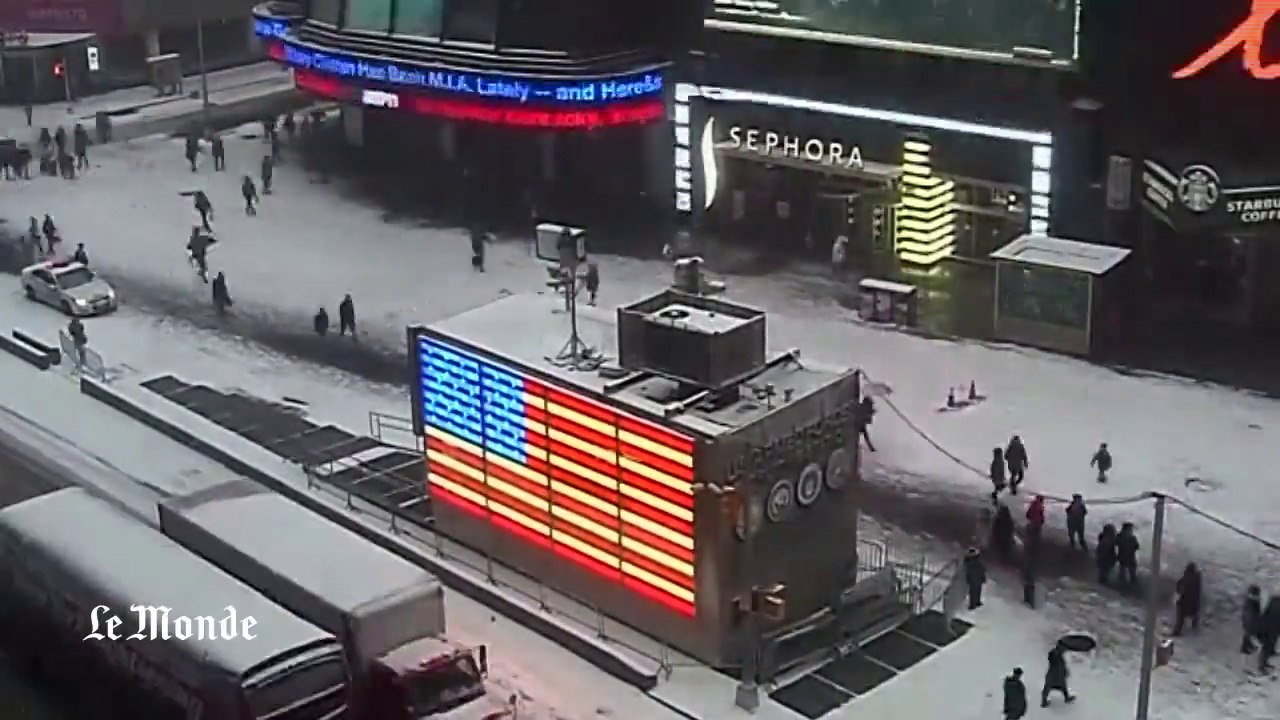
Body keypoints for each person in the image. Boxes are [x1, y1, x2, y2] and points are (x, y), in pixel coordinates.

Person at [1172, 562, 1202, 636]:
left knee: (1180, 616)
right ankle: (1195, 626)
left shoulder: (1185, 578)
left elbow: (1179, 586)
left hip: (1185, 601)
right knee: (1194, 614)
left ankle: (1177, 631)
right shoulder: (1197, 578)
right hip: (1195, 601)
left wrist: (1176, 597)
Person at [1040, 642, 1074, 707]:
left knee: (1062, 687)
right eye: (1064, 648)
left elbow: (1062, 665)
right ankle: (1044, 702)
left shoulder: (1060, 655)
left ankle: (1067, 698)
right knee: (1047, 688)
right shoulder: (1054, 653)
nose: (1064, 650)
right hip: (1053, 674)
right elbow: (1052, 658)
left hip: (1058, 675)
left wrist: (1065, 672)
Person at [1116, 522, 1140, 589]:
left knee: (1123, 574)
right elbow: (1137, 547)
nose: (1131, 531)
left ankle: (1123, 587)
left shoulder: (1119, 536)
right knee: (1131, 575)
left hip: (1124, 558)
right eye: (1131, 529)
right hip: (1129, 558)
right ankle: (1131, 588)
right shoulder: (1132, 538)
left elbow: (1115, 544)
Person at [1259, 594, 1280, 672]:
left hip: (1271, 626)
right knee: (1268, 645)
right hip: (1272, 627)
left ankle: (1265, 660)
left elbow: (1265, 613)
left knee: (1269, 644)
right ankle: (1262, 666)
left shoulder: (1273, 600)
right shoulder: (1274, 600)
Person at [1243, 585, 1263, 654]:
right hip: (1251, 626)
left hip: (1250, 625)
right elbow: (1251, 616)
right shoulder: (1251, 603)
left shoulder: (1252, 602)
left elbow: (1246, 615)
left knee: (1247, 643)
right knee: (1252, 641)